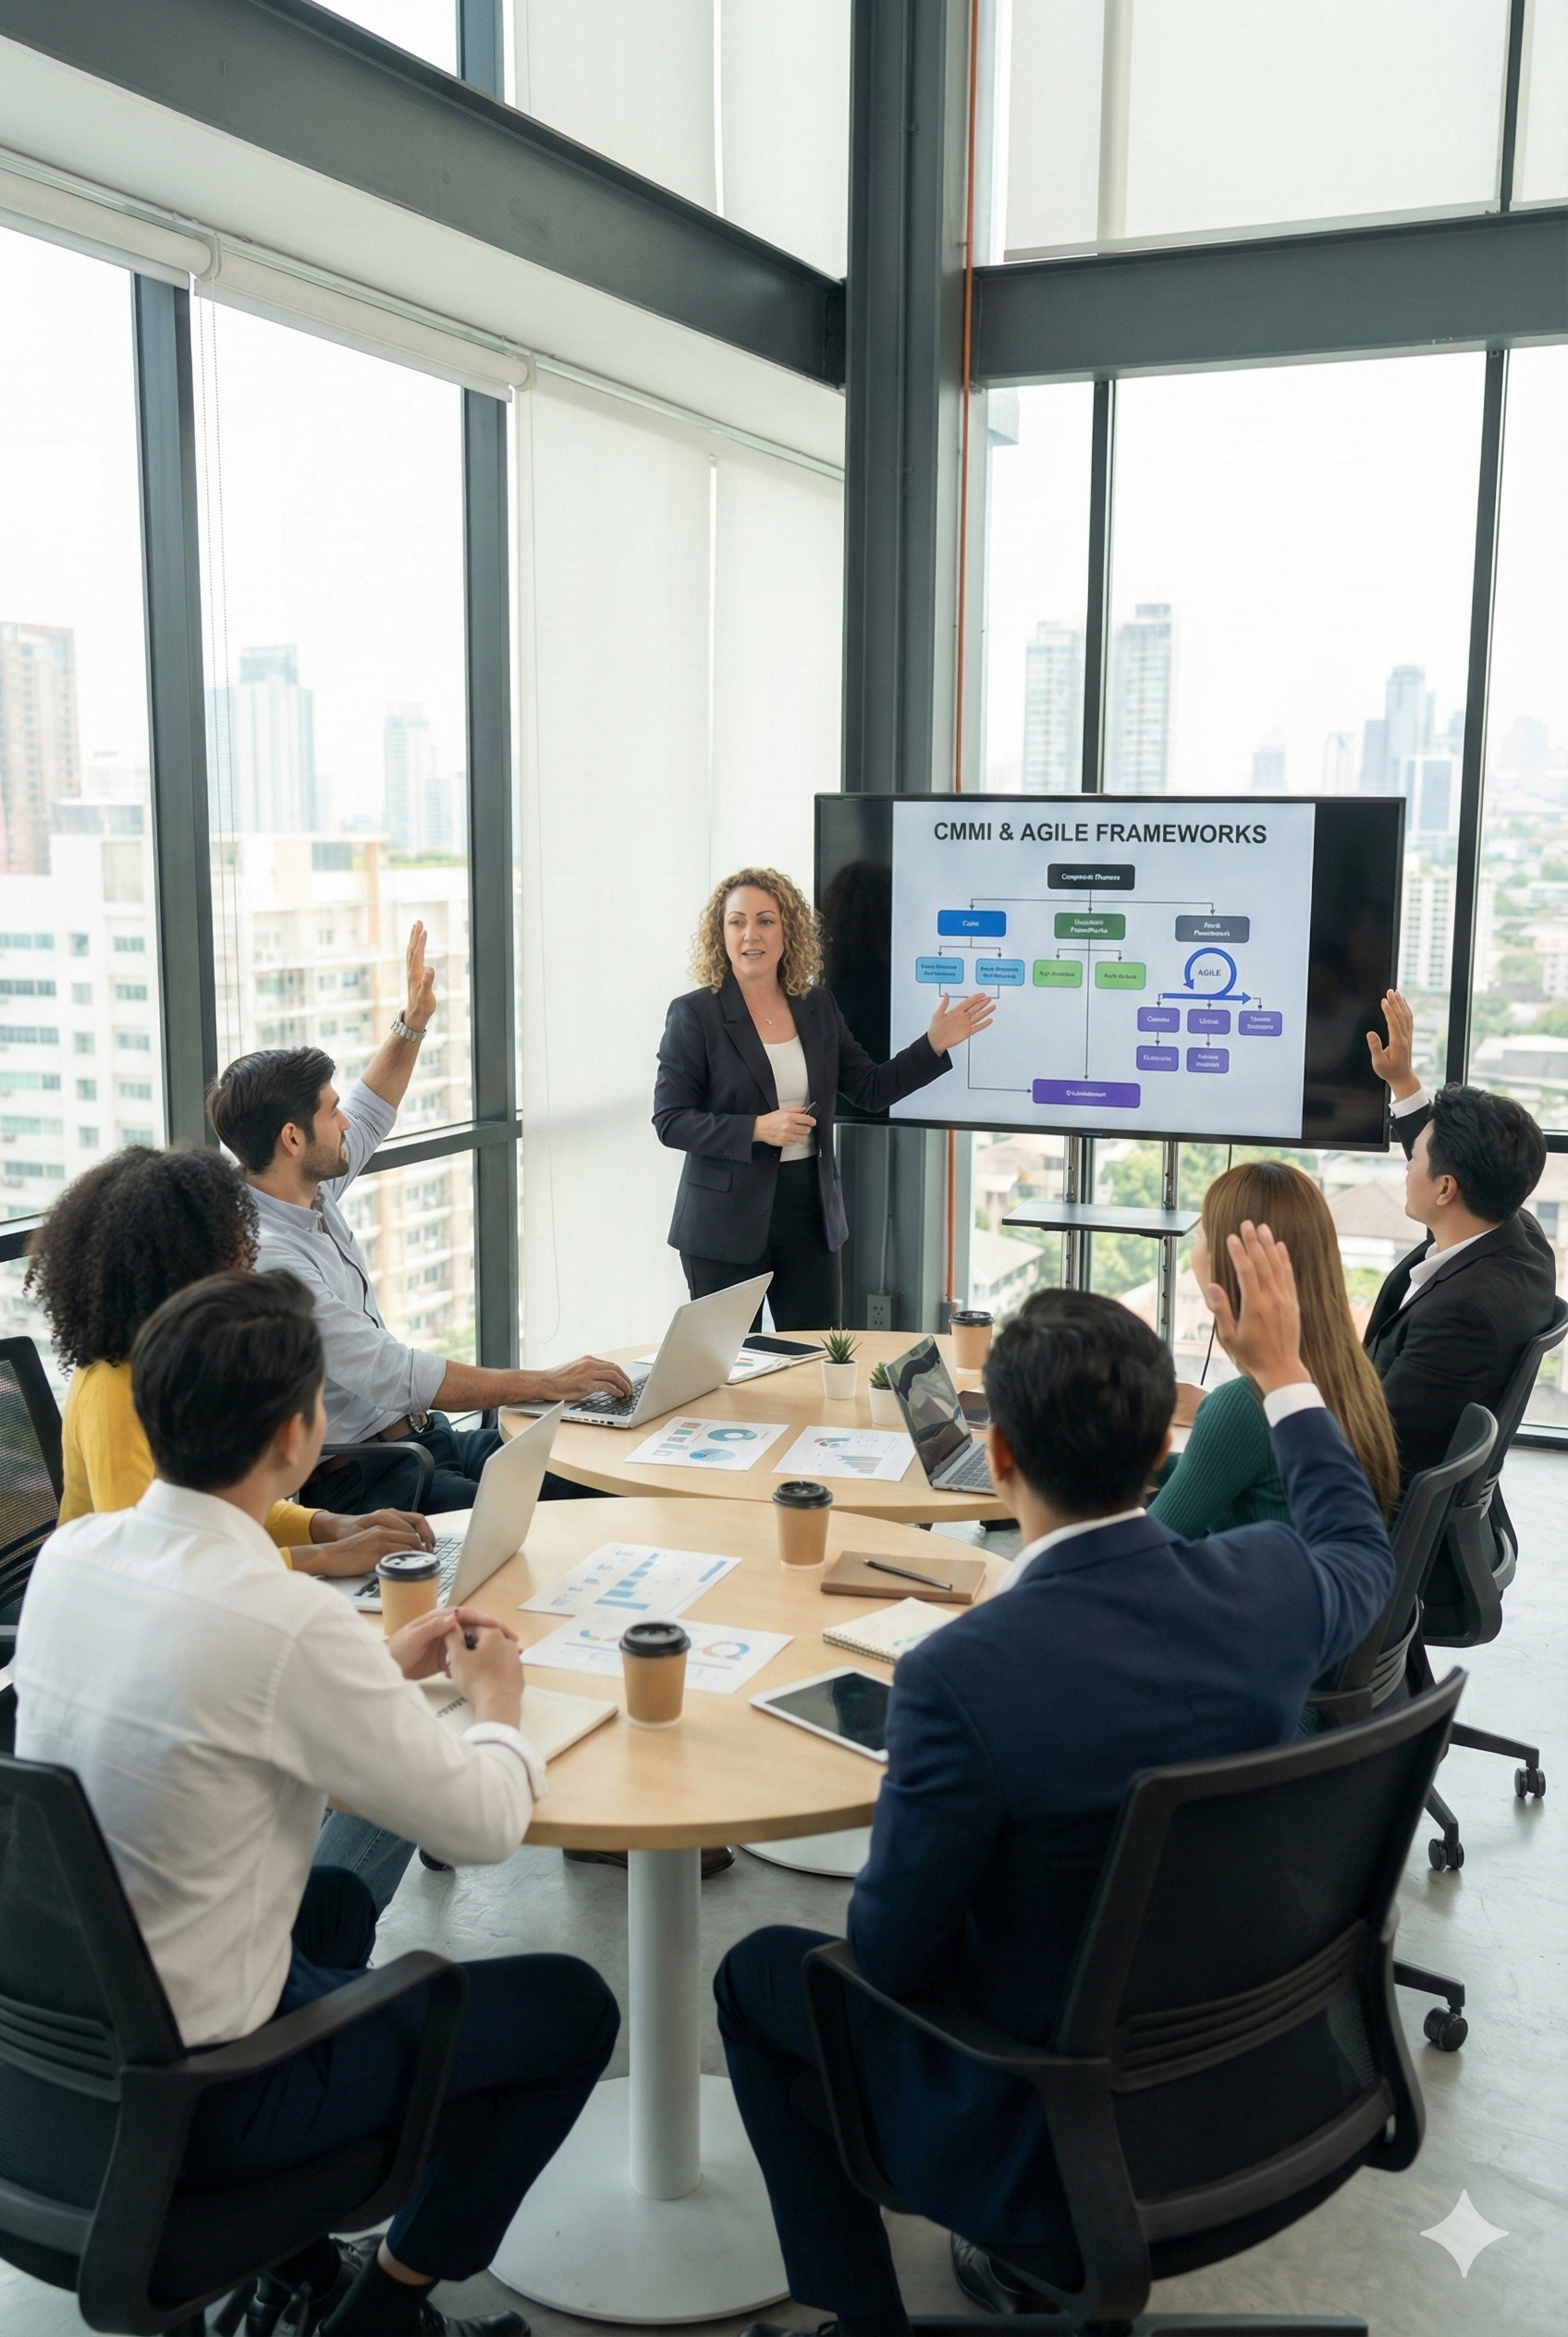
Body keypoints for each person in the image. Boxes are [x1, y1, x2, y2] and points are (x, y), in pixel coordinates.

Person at [714, 1239, 1396, 2337]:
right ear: (1159, 1448)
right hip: (1271, 2085)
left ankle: (864, 2321)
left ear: (998, 1456)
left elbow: (890, 1958)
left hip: (1054, 2137)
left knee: (760, 1974)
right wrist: (1283, 1373)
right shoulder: (1271, 1579)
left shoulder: (960, 1676)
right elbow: (1360, 1546)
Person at [14, 1269, 619, 2337]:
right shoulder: (285, 1617)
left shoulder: (72, 1556)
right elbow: (484, 1825)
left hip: (55, 2067)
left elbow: (208, 1699)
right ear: (298, 1433)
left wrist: (374, 1666)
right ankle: (375, 2317)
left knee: (333, 1905)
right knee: (570, 2010)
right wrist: (497, 1700)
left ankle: (294, 2268)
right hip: (214, 2097)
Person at [207, 920, 631, 1512]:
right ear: (293, 1139)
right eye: (330, 1114)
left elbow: (371, 1109)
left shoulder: (304, 1187)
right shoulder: (273, 1265)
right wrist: (544, 1383)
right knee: (540, 1520)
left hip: (427, 1441)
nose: (346, 1124)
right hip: (371, 1477)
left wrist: (413, 1022)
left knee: (600, 1477)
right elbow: (395, 1373)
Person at [26, 1144, 433, 1576]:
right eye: (233, 1248)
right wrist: (323, 1558)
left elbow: (218, 1506)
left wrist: (328, 1526)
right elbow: (151, 1561)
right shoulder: (112, 1388)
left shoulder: (184, 1360)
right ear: (183, 1265)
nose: (248, 1261)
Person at [654, 868, 995, 1330]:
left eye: (765, 920)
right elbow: (671, 1120)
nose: (751, 934)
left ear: (788, 931)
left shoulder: (817, 1006)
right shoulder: (695, 1013)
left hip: (810, 1219)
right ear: (722, 934)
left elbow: (871, 1089)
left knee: (813, 1359)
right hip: (723, 1226)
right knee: (732, 1366)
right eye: (737, 922)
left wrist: (933, 1044)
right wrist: (757, 1128)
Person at [1150, 1158, 1399, 1536]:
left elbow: (1140, 1554)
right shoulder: (1352, 1372)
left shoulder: (1243, 1405)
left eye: (1201, 1234)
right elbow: (1220, 1472)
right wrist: (1139, 1463)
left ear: (1232, 1264)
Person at [1364, 988, 1555, 1480]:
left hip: (1365, 1500)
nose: (1407, 1166)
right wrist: (1402, 1081)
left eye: (1413, 1159)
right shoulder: (1521, 1237)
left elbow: (1368, 1442)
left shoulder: (1462, 1317)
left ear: (1446, 1188)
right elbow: (1449, 1158)